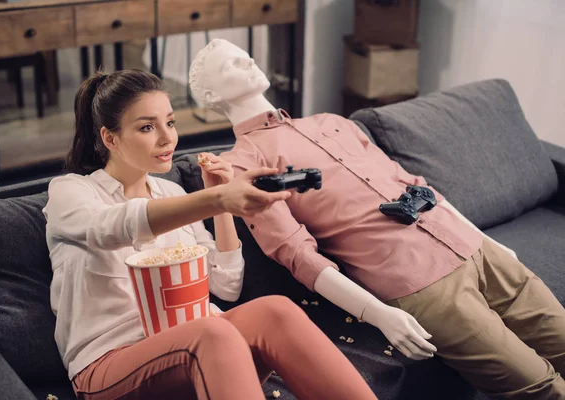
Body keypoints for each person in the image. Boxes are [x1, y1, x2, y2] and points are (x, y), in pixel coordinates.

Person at [188, 39, 565, 399]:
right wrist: (379, 314)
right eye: (232, 64)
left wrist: (491, 242)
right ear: (208, 96)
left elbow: (416, 184)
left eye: (245, 55)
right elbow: (296, 254)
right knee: (542, 387)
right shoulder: (242, 167)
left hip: (476, 248)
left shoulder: (331, 122)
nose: (249, 61)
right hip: (423, 285)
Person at [42, 69, 377, 400]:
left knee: (277, 311)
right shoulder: (71, 192)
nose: (167, 138)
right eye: (147, 127)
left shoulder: (173, 194)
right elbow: (109, 228)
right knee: (212, 331)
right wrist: (212, 199)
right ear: (110, 138)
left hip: (199, 347)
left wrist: (221, 203)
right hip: (110, 363)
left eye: (170, 123)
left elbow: (226, 285)